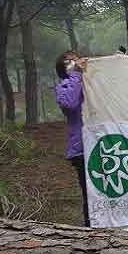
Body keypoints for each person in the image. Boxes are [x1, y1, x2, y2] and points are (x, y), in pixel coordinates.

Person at [55, 51, 90, 227]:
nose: (76, 61)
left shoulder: (91, 82)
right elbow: (69, 103)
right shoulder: (64, 86)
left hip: (105, 144)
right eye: (70, 60)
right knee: (91, 196)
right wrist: (77, 74)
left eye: (77, 58)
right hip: (83, 150)